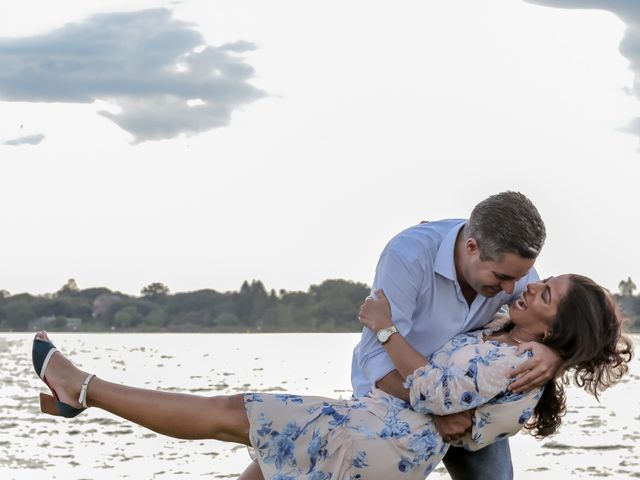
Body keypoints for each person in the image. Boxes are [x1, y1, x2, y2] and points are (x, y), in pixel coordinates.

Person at [32, 274, 632, 480]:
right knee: (261, 463)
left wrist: (383, 329)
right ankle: (78, 392)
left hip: (379, 438)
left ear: (553, 326)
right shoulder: (516, 341)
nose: (530, 287)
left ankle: (81, 387)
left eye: (544, 292)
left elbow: (433, 393)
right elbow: (448, 404)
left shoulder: (513, 359)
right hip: (385, 439)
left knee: (231, 414)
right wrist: (562, 356)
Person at [351, 190, 554, 480]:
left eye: (519, 277)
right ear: (472, 247)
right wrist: (440, 411)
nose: (512, 289)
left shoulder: (512, 266)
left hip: (470, 401)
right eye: (501, 278)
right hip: (395, 393)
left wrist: (553, 353)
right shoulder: (407, 256)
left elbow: (557, 317)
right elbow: (374, 359)